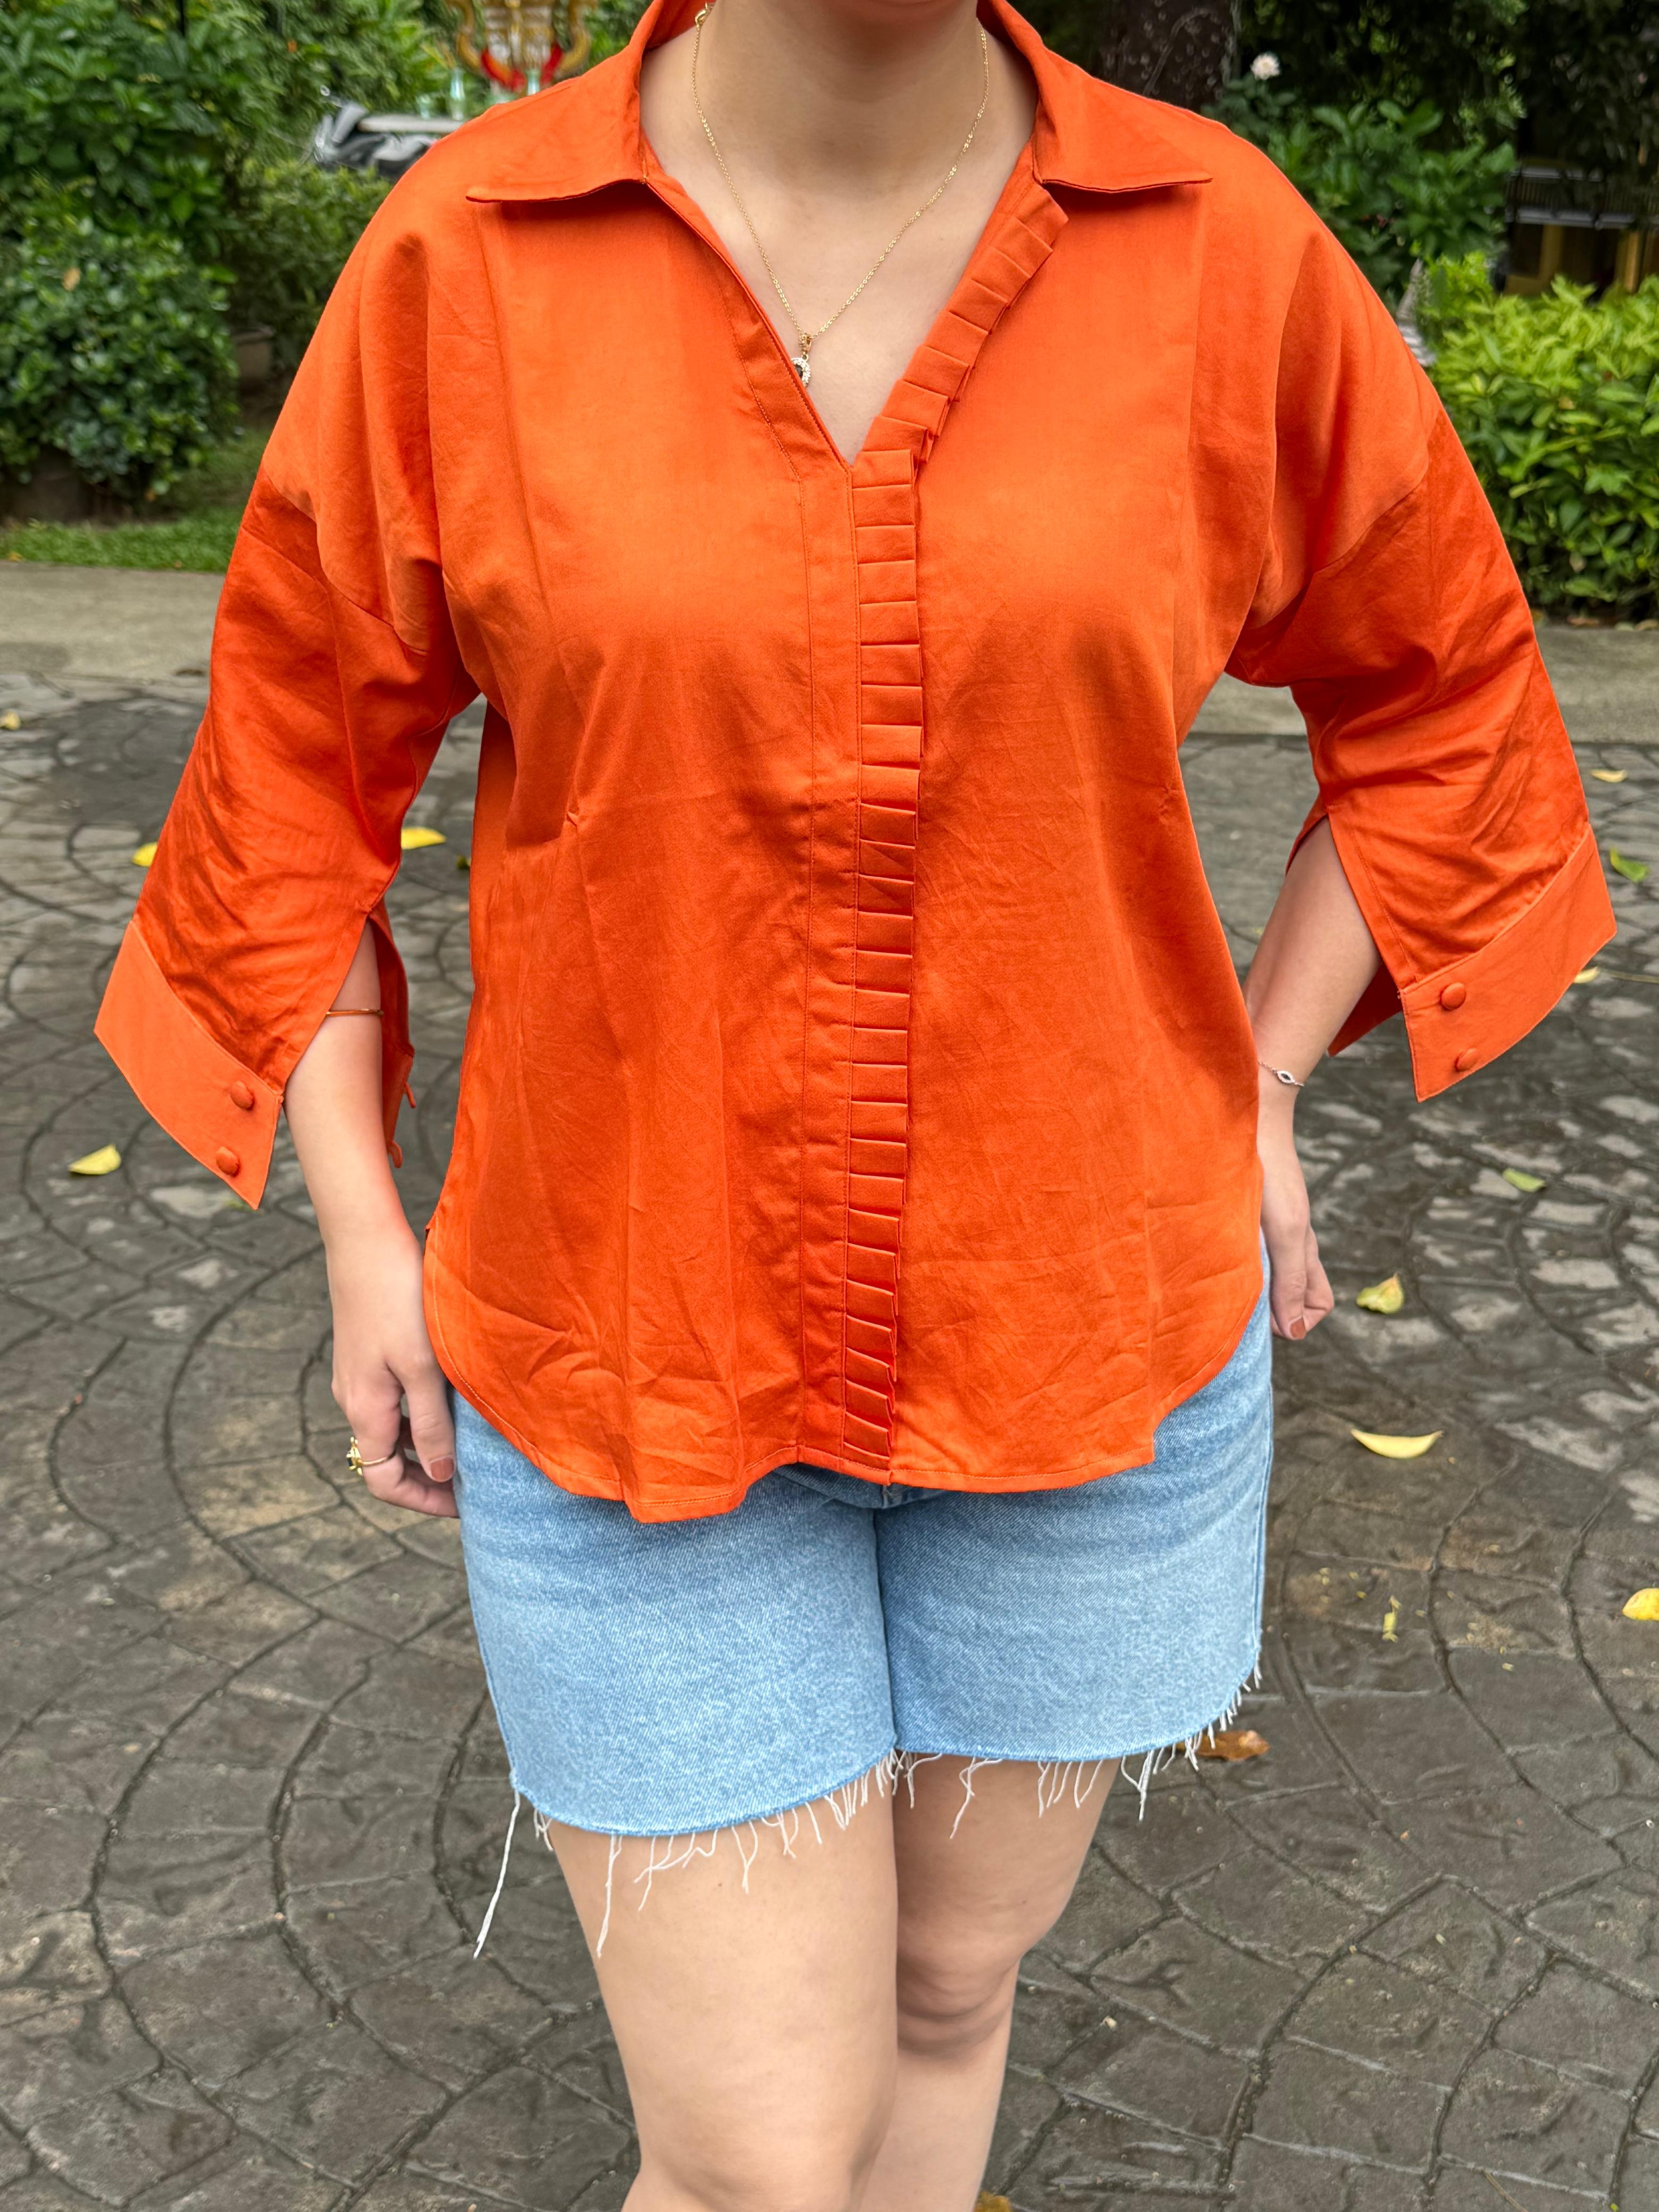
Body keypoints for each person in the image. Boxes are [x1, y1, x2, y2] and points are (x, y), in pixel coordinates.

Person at [95, 0, 1614, 2200]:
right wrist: (359, 1224)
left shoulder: (1221, 250)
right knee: (746, 2157)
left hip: (1094, 1344)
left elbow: (1451, 702)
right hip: (630, 1352)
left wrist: (1263, 1071)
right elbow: (281, 796)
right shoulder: (470, 259)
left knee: (944, 1990)